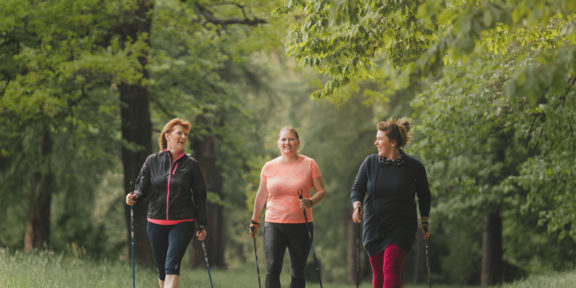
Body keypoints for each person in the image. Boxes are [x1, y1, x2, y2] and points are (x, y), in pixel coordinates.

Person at [125, 118, 208, 288]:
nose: (183, 136)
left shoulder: (191, 165)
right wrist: (133, 197)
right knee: (162, 269)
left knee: (172, 266)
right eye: (180, 133)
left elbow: (200, 195)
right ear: (168, 135)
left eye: (186, 134)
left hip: (182, 222)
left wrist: (202, 223)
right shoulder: (152, 161)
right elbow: (142, 187)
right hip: (155, 222)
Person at [350, 118, 431, 288]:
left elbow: (424, 195)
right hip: (374, 227)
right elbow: (357, 188)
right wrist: (357, 205)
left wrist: (424, 220)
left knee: (391, 266)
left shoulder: (414, 167)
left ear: (393, 142)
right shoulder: (370, 163)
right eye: (376, 138)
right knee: (379, 273)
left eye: (380, 139)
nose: (376, 142)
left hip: (401, 227)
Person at [249, 127, 327, 288]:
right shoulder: (269, 167)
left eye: (291, 139)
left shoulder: (309, 164)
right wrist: (254, 221)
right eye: (283, 139)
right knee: (272, 269)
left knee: (298, 271)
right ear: (278, 143)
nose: (287, 143)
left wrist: (311, 201)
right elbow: (261, 194)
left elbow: (321, 191)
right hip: (274, 224)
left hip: (301, 225)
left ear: (298, 142)